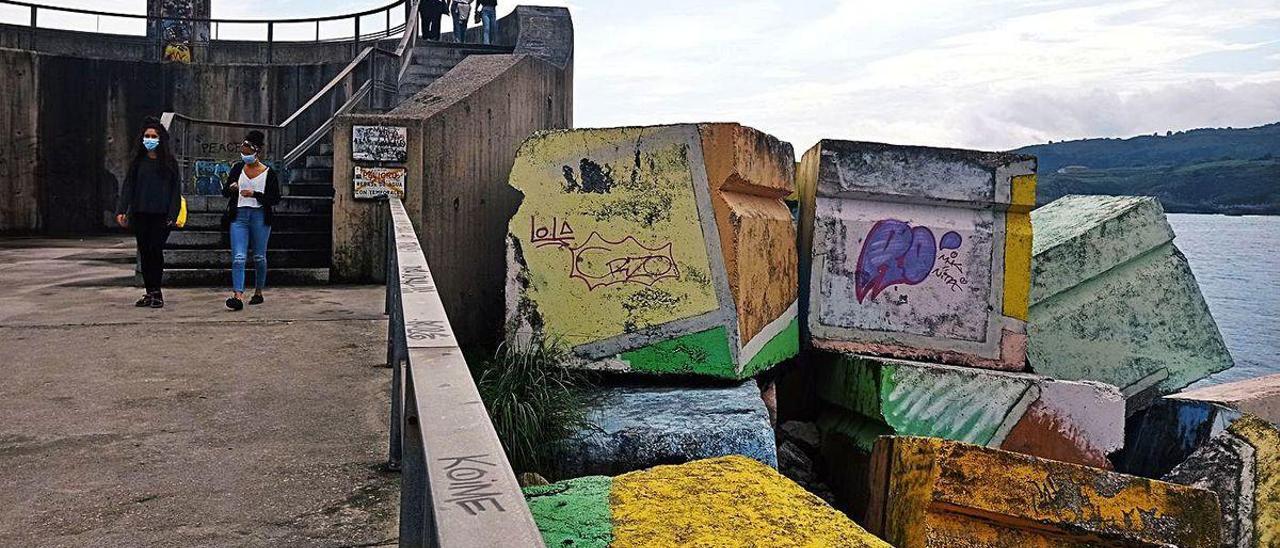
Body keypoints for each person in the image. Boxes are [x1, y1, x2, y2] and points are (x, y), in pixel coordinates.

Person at [115, 117, 182, 309]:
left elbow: (175, 191)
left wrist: (172, 215)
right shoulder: (137, 162)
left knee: (155, 252)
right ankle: (150, 291)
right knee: (144, 253)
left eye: (154, 136)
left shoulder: (169, 163)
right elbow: (128, 186)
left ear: (161, 139)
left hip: (161, 215)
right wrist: (122, 209)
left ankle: (157, 292)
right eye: (147, 136)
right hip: (140, 213)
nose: (150, 139)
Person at [221, 130, 281, 311]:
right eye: (243, 152)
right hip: (239, 216)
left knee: (259, 256)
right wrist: (231, 188)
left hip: (260, 216)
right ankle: (237, 295)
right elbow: (224, 192)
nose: (245, 156)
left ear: (257, 152)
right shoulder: (238, 169)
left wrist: (255, 194)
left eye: (248, 152)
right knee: (238, 257)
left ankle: (258, 291)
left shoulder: (268, 173)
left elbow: (275, 198)